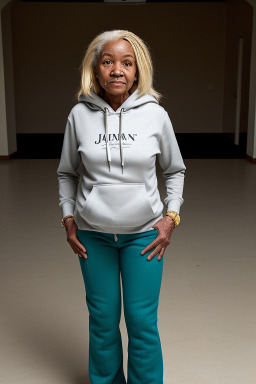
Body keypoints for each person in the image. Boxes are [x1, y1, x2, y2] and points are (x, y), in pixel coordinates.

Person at [57, 29, 186, 384]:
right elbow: (67, 173)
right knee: (102, 319)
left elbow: (175, 171)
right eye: (108, 61)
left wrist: (170, 217)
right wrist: (68, 218)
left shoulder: (155, 115)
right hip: (92, 237)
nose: (117, 70)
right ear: (96, 70)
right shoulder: (79, 116)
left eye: (126, 63)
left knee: (142, 321)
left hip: (143, 236)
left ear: (137, 70)